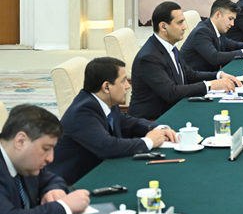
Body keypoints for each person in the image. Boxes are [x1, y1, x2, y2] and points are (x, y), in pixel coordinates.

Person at [51, 57, 177, 185]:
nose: (128, 85)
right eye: (123, 81)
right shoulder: (83, 112)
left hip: (101, 171)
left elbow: (129, 123)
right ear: (106, 87)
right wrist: (149, 141)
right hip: (72, 185)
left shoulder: (106, 101)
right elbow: (107, 146)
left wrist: (159, 129)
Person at [129, 1, 240, 121]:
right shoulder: (149, 57)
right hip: (152, 121)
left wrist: (219, 75)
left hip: (175, 110)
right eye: (180, 22)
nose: (184, 27)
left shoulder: (170, 47)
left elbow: (189, 75)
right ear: (163, 26)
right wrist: (210, 85)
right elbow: (171, 92)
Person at [0, 104, 91, 214]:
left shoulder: (24, 163)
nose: (51, 158)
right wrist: (63, 207)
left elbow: (51, 179)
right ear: (20, 141)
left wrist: (53, 190)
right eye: (46, 149)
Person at [181, 0, 243, 72]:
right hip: (197, 81)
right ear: (218, 15)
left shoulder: (216, 29)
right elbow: (215, 57)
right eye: (230, 19)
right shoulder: (201, 32)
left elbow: (231, 44)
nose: (232, 24)